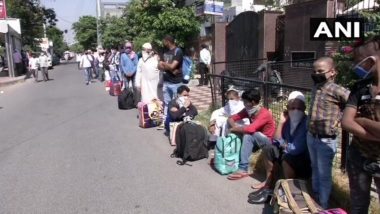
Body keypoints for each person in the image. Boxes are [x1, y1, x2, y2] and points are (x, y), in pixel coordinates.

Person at [341, 37, 380, 214]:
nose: (354, 66)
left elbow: (353, 120)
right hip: (358, 156)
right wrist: (372, 131)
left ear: (371, 60)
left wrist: (361, 120)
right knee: (358, 206)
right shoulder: (360, 87)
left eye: (357, 61)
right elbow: (346, 122)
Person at [307, 57, 350, 209]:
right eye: (314, 71)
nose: (316, 74)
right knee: (314, 167)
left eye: (320, 71)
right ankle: (315, 196)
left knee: (324, 173)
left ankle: (323, 205)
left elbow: (352, 104)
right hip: (311, 136)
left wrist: (339, 119)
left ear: (332, 72)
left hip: (326, 139)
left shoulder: (337, 89)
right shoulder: (315, 87)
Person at [254, 91, 311, 193]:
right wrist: (281, 123)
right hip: (287, 152)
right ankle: (268, 182)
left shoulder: (305, 123)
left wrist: (283, 145)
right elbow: (275, 140)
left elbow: (296, 149)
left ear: (304, 109)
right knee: (268, 149)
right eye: (292, 108)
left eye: (299, 109)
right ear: (288, 109)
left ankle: (290, 190)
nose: (296, 111)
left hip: (303, 159)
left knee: (287, 158)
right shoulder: (287, 121)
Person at [226, 89, 276, 180]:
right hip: (256, 139)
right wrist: (234, 127)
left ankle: (243, 168)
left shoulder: (264, 113)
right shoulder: (248, 110)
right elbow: (231, 118)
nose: (244, 104)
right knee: (245, 133)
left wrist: (235, 128)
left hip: (267, 141)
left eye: (245, 102)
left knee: (248, 134)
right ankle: (230, 157)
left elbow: (250, 129)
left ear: (252, 102)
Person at [158, 35, 184, 130]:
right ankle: (165, 122)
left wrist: (164, 64)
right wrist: (167, 67)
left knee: (176, 103)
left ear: (168, 41)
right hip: (166, 81)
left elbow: (173, 66)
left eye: (164, 41)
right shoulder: (164, 51)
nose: (163, 43)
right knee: (166, 103)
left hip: (176, 82)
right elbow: (159, 66)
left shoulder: (178, 51)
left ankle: (176, 123)